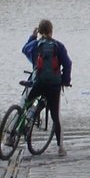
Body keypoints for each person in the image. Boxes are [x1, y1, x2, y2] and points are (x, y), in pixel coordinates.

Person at [22, 19, 73, 157]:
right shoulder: (58, 46)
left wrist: (32, 37)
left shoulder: (34, 45)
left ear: (39, 31)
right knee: (55, 115)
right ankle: (60, 147)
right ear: (51, 31)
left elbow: (24, 49)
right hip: (54, 86)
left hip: (38, 83)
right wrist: (65, 80)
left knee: (26, 103)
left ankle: (19, 127)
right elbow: (68, 64)